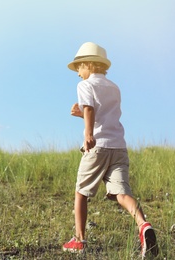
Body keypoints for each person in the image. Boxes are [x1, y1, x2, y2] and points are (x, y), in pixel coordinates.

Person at [62, 42, 158, 258]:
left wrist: (88, 134)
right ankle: (143, 225)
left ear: (88, 64)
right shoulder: (114, 87)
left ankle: (79, 240)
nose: (78, 73)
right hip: (119, 147)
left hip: (98, 146)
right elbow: (103, 114)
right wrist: (84, 118)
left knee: (81, 192)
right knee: (122, 193)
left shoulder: (85, 86)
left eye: (79, 67)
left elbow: (89, 108)